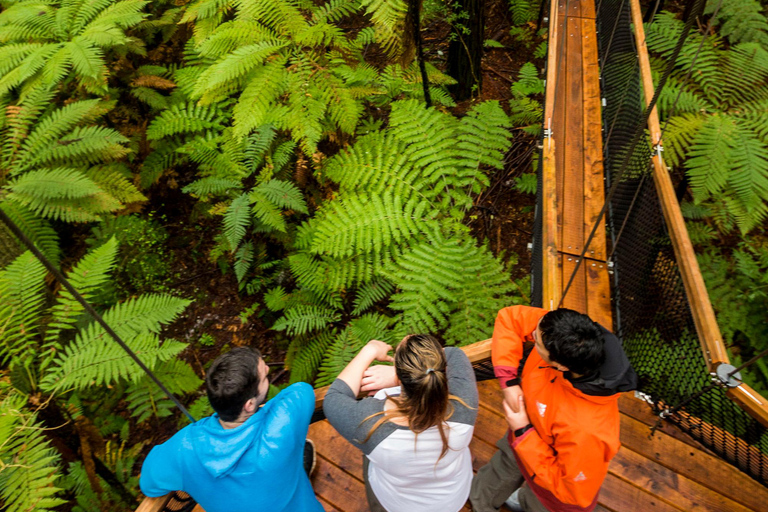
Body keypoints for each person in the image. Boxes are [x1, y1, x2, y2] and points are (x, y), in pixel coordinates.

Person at [470, 306, 637, 512]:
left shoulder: (589, 431)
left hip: (550, 491)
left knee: (536, 502)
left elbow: (573, 492)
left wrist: (523, 432)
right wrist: (508, 381)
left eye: (536, 342)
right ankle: (482, 503)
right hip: (522, 438)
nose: (531, 334)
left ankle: (522, 501)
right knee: (497, 475)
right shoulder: (563, 333)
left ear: (561, 366)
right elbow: (511, 318)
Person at [139, 347, 324, 512]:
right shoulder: (281, 426)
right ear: (249, 405)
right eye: (265, 377)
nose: (268, 369)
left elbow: (149, 485)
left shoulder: (185, 448)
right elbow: (301, 390)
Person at [323, 335, 479, 512]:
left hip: (399, 504)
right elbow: (453, 353)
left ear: (400, 374)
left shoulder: (371, 426)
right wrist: (404, 374)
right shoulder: (464, 407)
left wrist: (370, 350)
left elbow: (334, 398)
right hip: (449, 499)